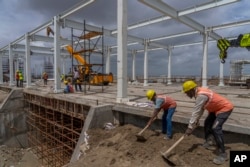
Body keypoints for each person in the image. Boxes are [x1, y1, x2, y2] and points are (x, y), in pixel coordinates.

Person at [182, 80, 233, 165]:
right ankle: (209, 142)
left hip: (224, 108)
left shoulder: (201, 95)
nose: (186, 95)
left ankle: (223, 154)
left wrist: (190, 127)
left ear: (191, 90)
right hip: (214, 109)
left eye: (187, 93)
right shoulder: (198, 93)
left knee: (215, 128)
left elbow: (196, 111)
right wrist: (196, 121)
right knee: (207, 123)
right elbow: (201, 109)